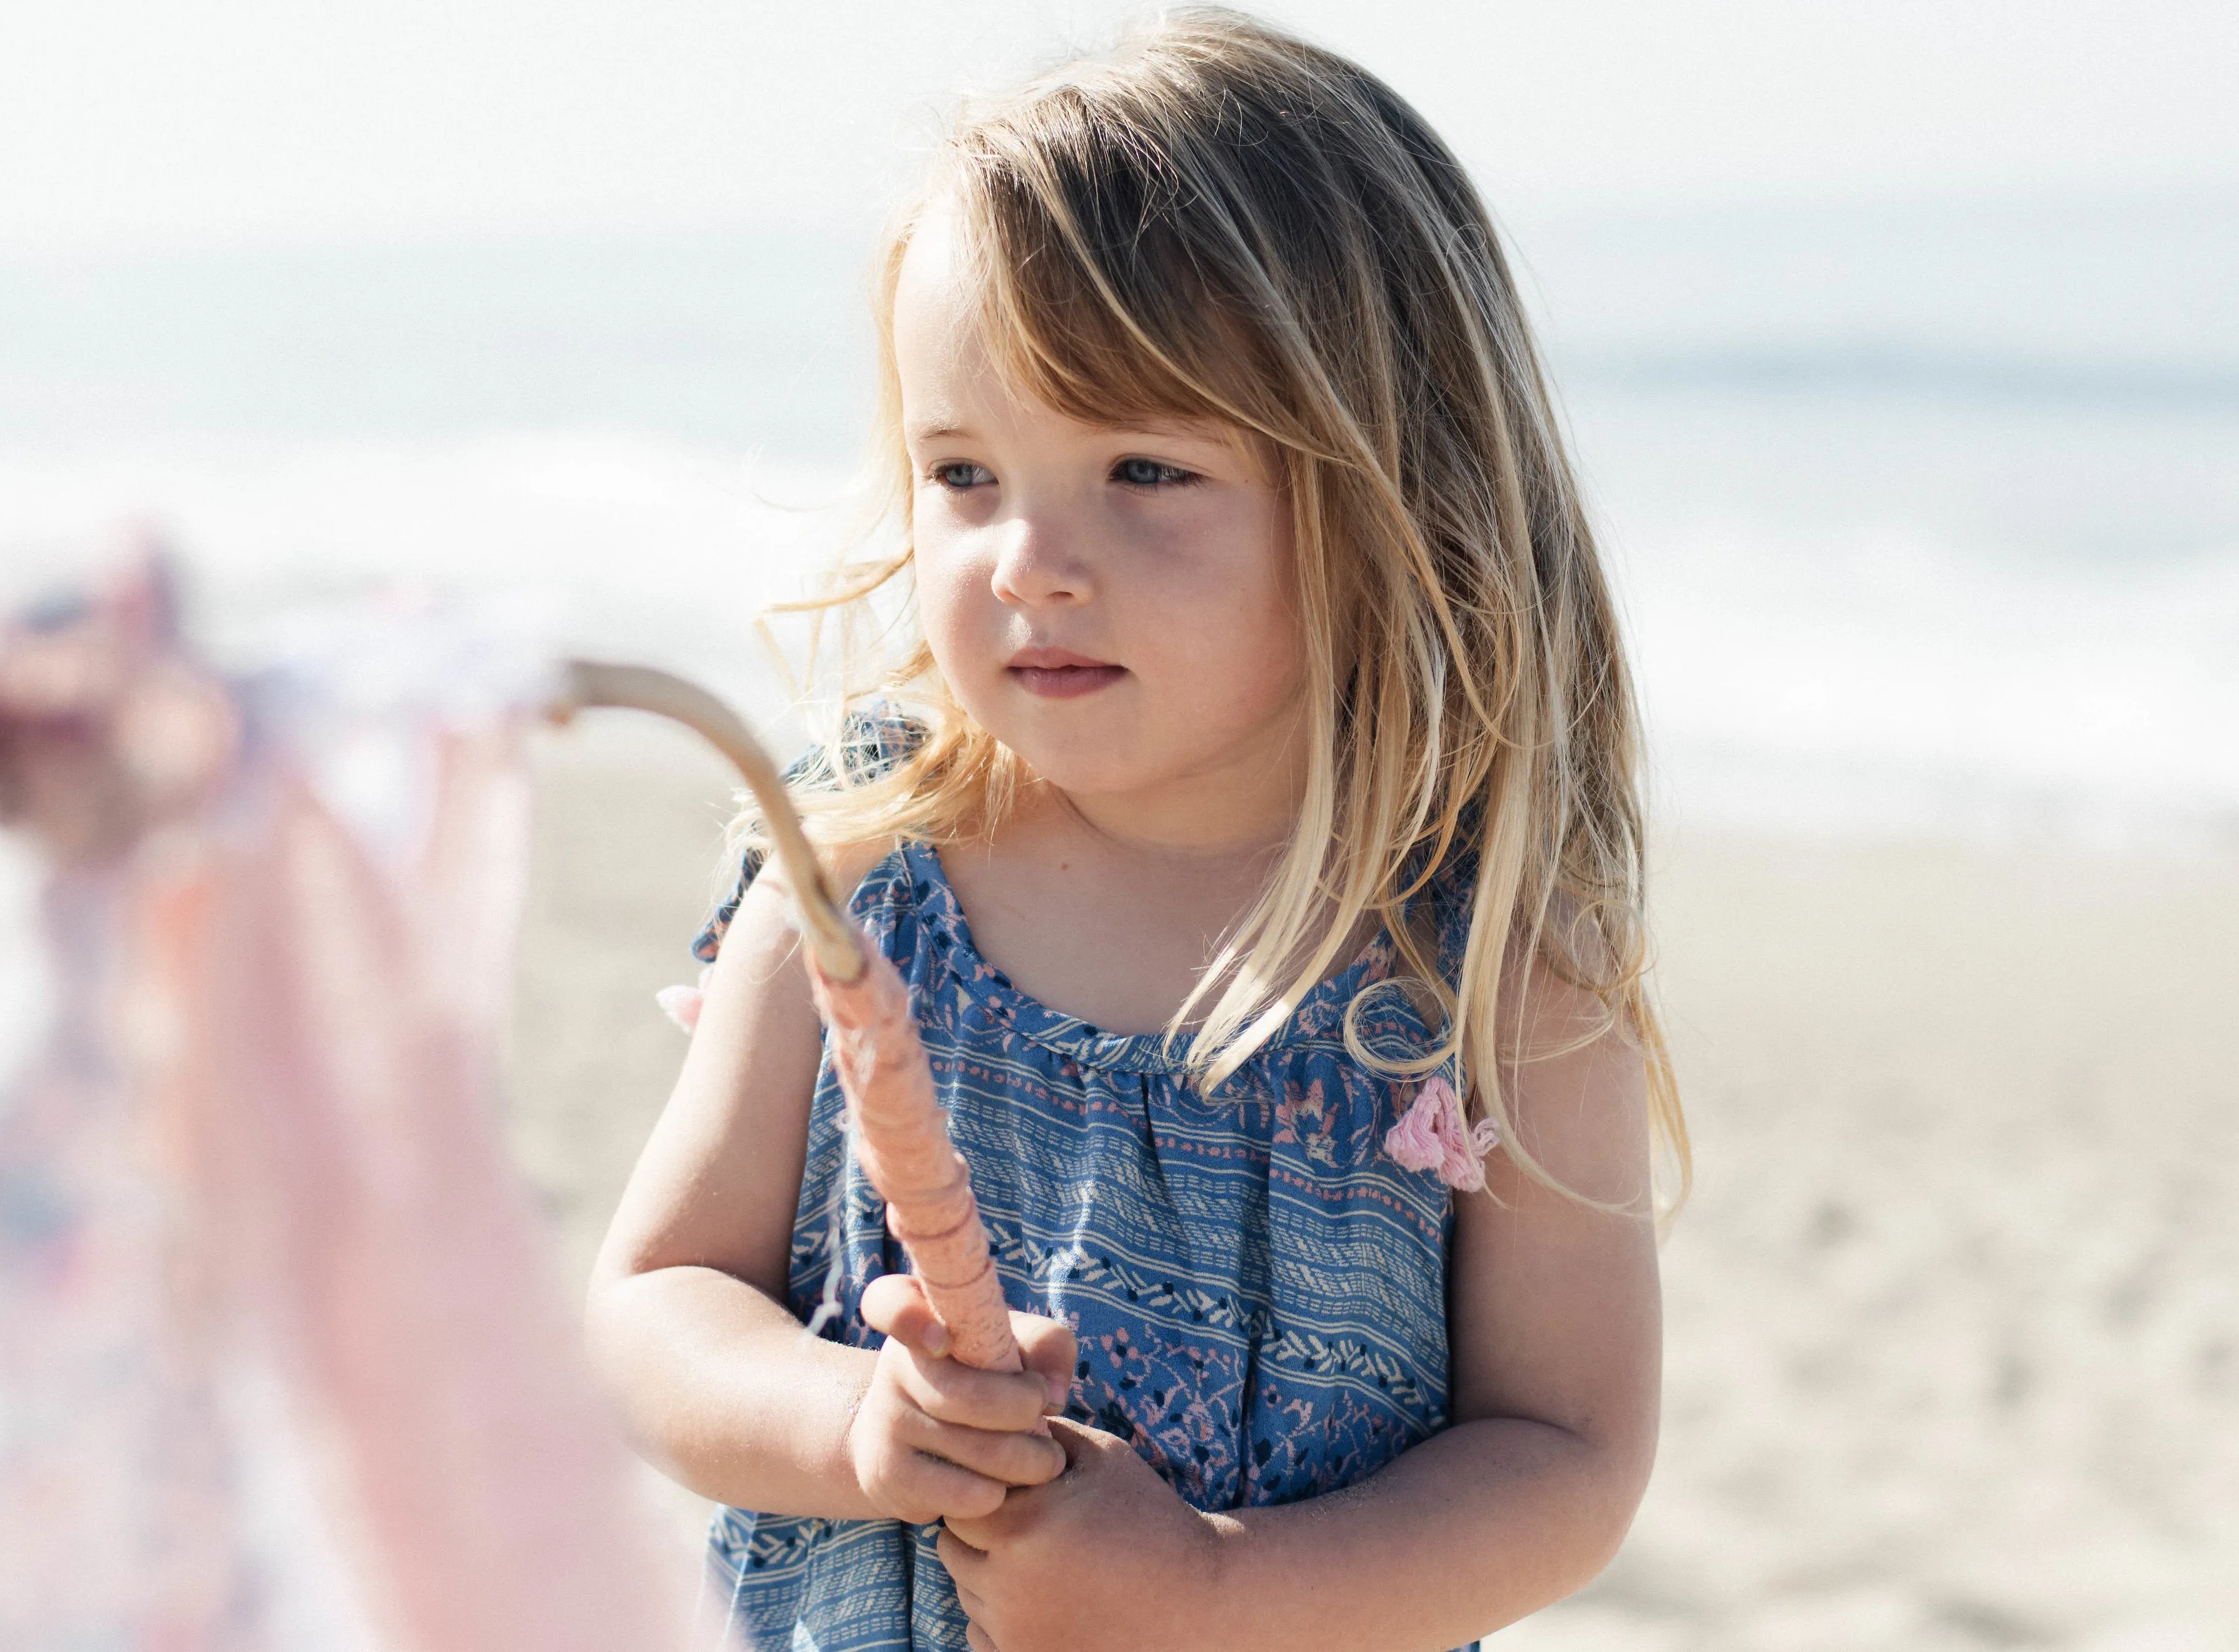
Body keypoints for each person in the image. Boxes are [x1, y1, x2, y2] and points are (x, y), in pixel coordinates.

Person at [586, 10, 1688, 1649]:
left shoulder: (1479, 974)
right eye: (964, 471)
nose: (1029, 557)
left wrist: (1215, 1588)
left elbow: (1566, 1458)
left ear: (1397, 494)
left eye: (1146, 469)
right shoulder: (867, 869)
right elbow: (655, 1304)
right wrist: (857, 1433)